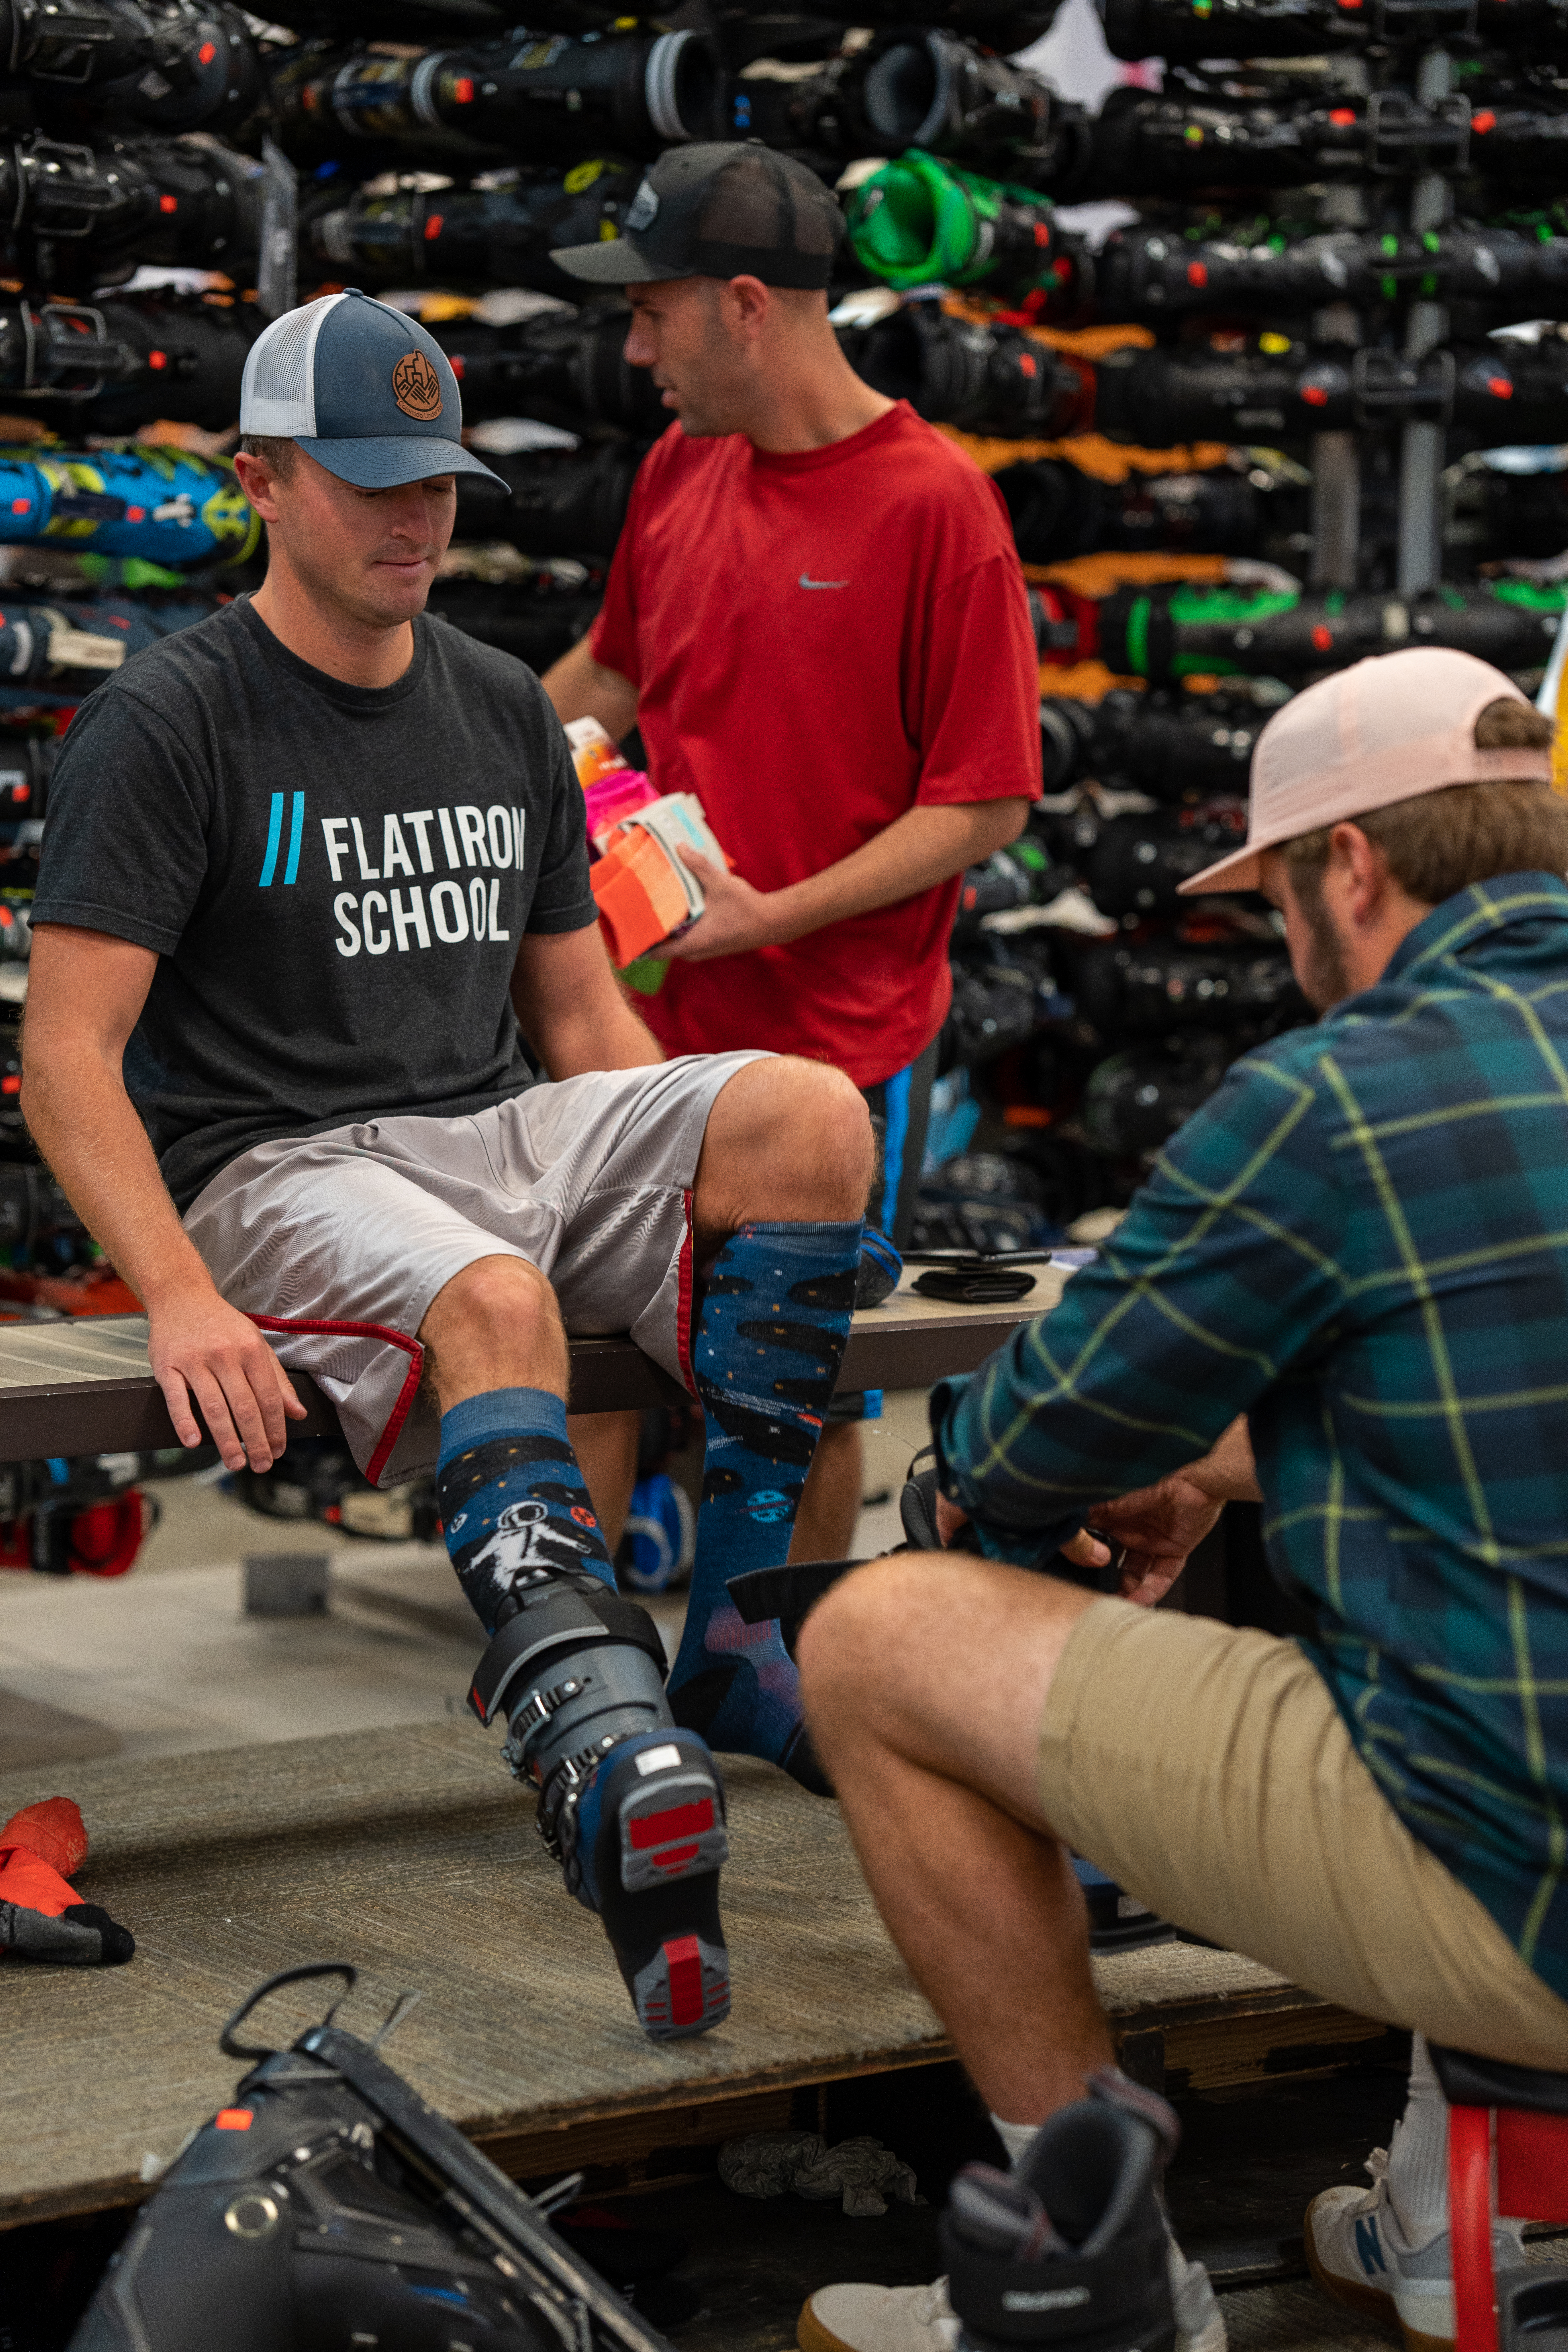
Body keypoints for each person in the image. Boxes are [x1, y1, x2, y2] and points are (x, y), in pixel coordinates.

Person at [20, 288, 875, 2045]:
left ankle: (736, 1628)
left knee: (812, 1113)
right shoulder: (170, 723)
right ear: (261, 479)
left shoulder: (497, 709)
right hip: (277, 1162)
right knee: (494, 1300)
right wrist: (177, 1297)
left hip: (491, 1128)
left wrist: (694, 1215)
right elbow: (65, 1055)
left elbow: (586, 1029)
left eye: (436, 485)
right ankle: (595, 1739)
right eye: (368, 485)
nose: (415, 520)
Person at [792, 647, 1568, 2352]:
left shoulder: (1341, 1096)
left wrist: (1016, 1506)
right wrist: (1234, 1458)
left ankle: (1092, 2286)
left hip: (1525, 1896)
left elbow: (1020, 1445)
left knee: (884, 1641)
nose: (1283, 950)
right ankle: (1473, 2234)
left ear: (1350, 870)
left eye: (1281, 899)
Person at [542, 141, 1042, 1563]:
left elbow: (987, 801)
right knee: (586, 1338)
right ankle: (582, 1668)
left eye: (653, 310)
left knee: (802, 1392)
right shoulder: (679, 467)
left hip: (836, 1043)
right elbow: (611, 673)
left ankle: (792, 1663)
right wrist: (439, 748)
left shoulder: (936, 509)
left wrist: (771, 920)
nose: (634, 346)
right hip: (642, 1011)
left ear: (746, 305)